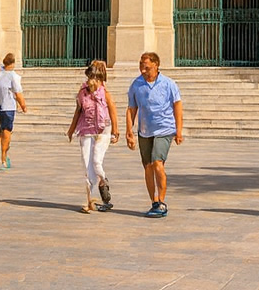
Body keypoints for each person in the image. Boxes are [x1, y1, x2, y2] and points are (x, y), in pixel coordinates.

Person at [126, 52, 183, 218]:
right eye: (141, 66)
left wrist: (178, 130)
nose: (143, 70)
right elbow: (131, 109)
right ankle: (154, 201)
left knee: (158, 163)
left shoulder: (168, 84)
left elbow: (177, 107)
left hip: (164, 129)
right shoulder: (136, 85)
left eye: (147, 67)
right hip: (145, 130)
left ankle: (162, 201)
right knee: (148, 166)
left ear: (156, 65)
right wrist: (129, 131)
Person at [66, 60, 120, 213]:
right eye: (90, 78)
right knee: (87, 166)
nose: (91, 82)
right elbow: (78, 111)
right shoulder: (82, 93)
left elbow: (113, 110)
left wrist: (116, 130)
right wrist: (71, 130)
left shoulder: (105, 94)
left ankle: (103, 180)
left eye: (95, 79)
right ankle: (91, 201)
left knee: (96, 161)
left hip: (103, 131)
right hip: (86, 130)